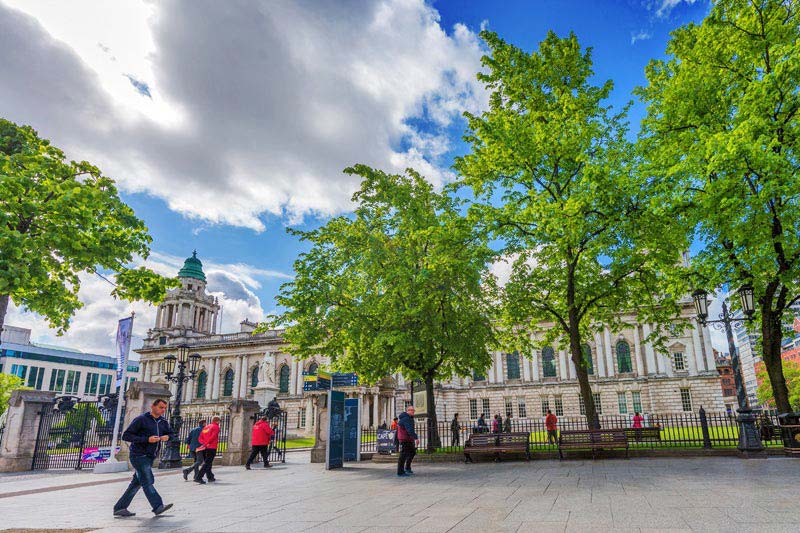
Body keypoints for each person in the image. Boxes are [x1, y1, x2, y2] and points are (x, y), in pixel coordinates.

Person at [113, 398, 173, 517]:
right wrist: (147, 439)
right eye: (161, 407)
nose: (163, 410)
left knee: (136, 483)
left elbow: (171, 434)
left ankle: (120, 508)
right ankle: (158, 506)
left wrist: (168, 437)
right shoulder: (141, 420)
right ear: (153, 406)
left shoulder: (163, 422)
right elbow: (126, 436)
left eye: (165, 408)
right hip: (139, 455)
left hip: (150, 456)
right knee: (147, 480)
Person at [195, 415, 221, 484]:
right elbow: (213, 436)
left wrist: (204, 443)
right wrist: (207, 443)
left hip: (205, 447)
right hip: (211, 446)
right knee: (207, 463)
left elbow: (200, 437)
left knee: (208, 462)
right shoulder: (216, 427)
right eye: (219, 421)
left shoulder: (206, 427)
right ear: (217, 421)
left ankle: (210, 477)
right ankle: (199, 477)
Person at [396, 406, 418, 477]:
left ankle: (407, 468)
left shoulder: (407, 418)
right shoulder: (406, 419)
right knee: (403, 455)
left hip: (407, 439)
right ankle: (400, 472)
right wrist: (415, 438)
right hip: (405, 439)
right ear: (408, 411)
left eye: (414, 410)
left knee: (412, 452)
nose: (413, 412)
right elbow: (409, 430)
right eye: (412, 410)